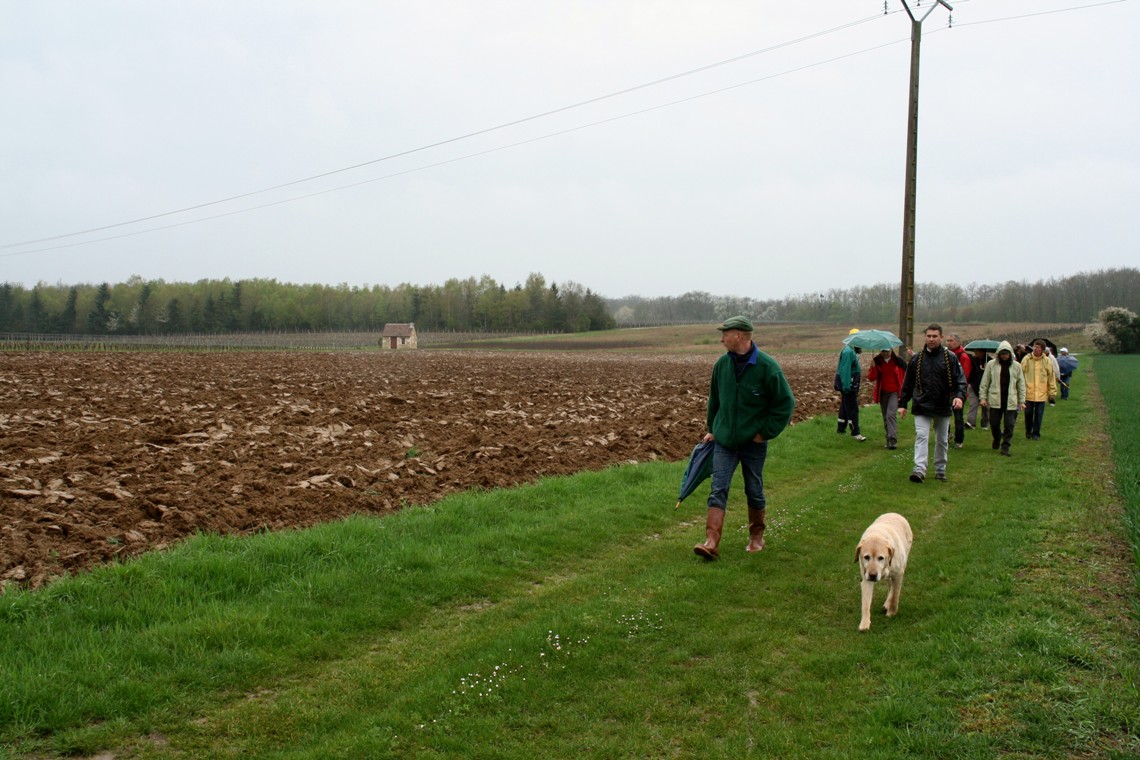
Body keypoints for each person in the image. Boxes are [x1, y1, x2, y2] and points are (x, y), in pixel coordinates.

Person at [695, 316, 796, 560]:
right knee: (718, 488)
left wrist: (764, 433)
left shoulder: (767, 367)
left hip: (753, 444)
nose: (721, 339)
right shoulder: (722, 365)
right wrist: (712, 428)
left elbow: (785, 404)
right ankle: (711, 542)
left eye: (725, 334)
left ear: (739, 335)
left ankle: (756, 536)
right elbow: (714, 399)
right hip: (725, 441)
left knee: (754, 489)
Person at [899, 324, 967, 483]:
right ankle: (919, 469)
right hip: (921, 404)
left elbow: (960, 380)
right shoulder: (916, 359)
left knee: (942, 439)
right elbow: (908, 383)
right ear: (925, 337)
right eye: (929, 336)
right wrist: (902, 404)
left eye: (935, 336)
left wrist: (959, 396)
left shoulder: (950, 358)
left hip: (942, 404)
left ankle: (940, 469)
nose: (931, 339)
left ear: (941, 337)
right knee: (922, 436)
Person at [979, 341, 1026, 456]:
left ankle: (1005, 446)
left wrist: (1022, 401)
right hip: (995, 399)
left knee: (1009, 425)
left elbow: (1021, 384)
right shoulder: (991, 365)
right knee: (994, 423)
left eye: (1006, 353)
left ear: (1010, 353)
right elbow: (985, 382)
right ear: (998, 354)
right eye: (1002, 354)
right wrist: (983, 398)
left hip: (1010, 400)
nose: (1004, 356)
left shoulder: (1017, 366)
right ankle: (997, 438)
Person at [868, 348, 907, 449]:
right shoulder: (877, 361)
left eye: (887, 351)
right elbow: (872, 378)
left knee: (890, 415)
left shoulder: (899, 361)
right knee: (886, 416)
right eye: (883, 351)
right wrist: (872, 367)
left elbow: (905, 376)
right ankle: (888, 440)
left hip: (895, 392)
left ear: (891, 350)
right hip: (883, 393)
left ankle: (893, 439)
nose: (885, 353)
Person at [1020, 340, 1057, 440]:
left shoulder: (1047, 361)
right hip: (1028, 392)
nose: (1036, 349)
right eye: (1034, 347)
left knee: (1038, 415)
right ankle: (1028, 431)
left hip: (1041, 393)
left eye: (1038, 348)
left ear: (1042, 350)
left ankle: (1036, 434)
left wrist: (1052, 392)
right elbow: (1020, 374)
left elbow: (1051, 377)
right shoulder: (1026, 359)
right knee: (1028, 413)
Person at [835, 330, 866, 442]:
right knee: (853, 408)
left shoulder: (851, 350)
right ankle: (855, 433)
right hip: (849, 386)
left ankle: (841, 429)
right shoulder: (848, 352)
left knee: (845, 406)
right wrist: (847, 386)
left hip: (849, 385)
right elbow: (845, 371)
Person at [945, 333, 973, 449]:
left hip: (958, 391)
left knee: (958, 417)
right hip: (946, 390)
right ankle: (945, 436)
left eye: (951, 340)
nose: (949, 343)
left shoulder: (963, 357)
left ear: (957, 342)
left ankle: (959, 440)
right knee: (944, 416)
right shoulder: (946, 355)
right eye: (947, 340)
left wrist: (960, 393)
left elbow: (964, 376)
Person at [965, 348, 989, 431]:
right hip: (974, 385)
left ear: (982, 352)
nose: (975, 353)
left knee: (986, 407)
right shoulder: (973, 360)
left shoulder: (989, 361)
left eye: (976, 351)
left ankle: (985, 424)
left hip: (986, 387)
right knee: (973, 404)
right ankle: (971, 423)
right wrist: (970, 382)